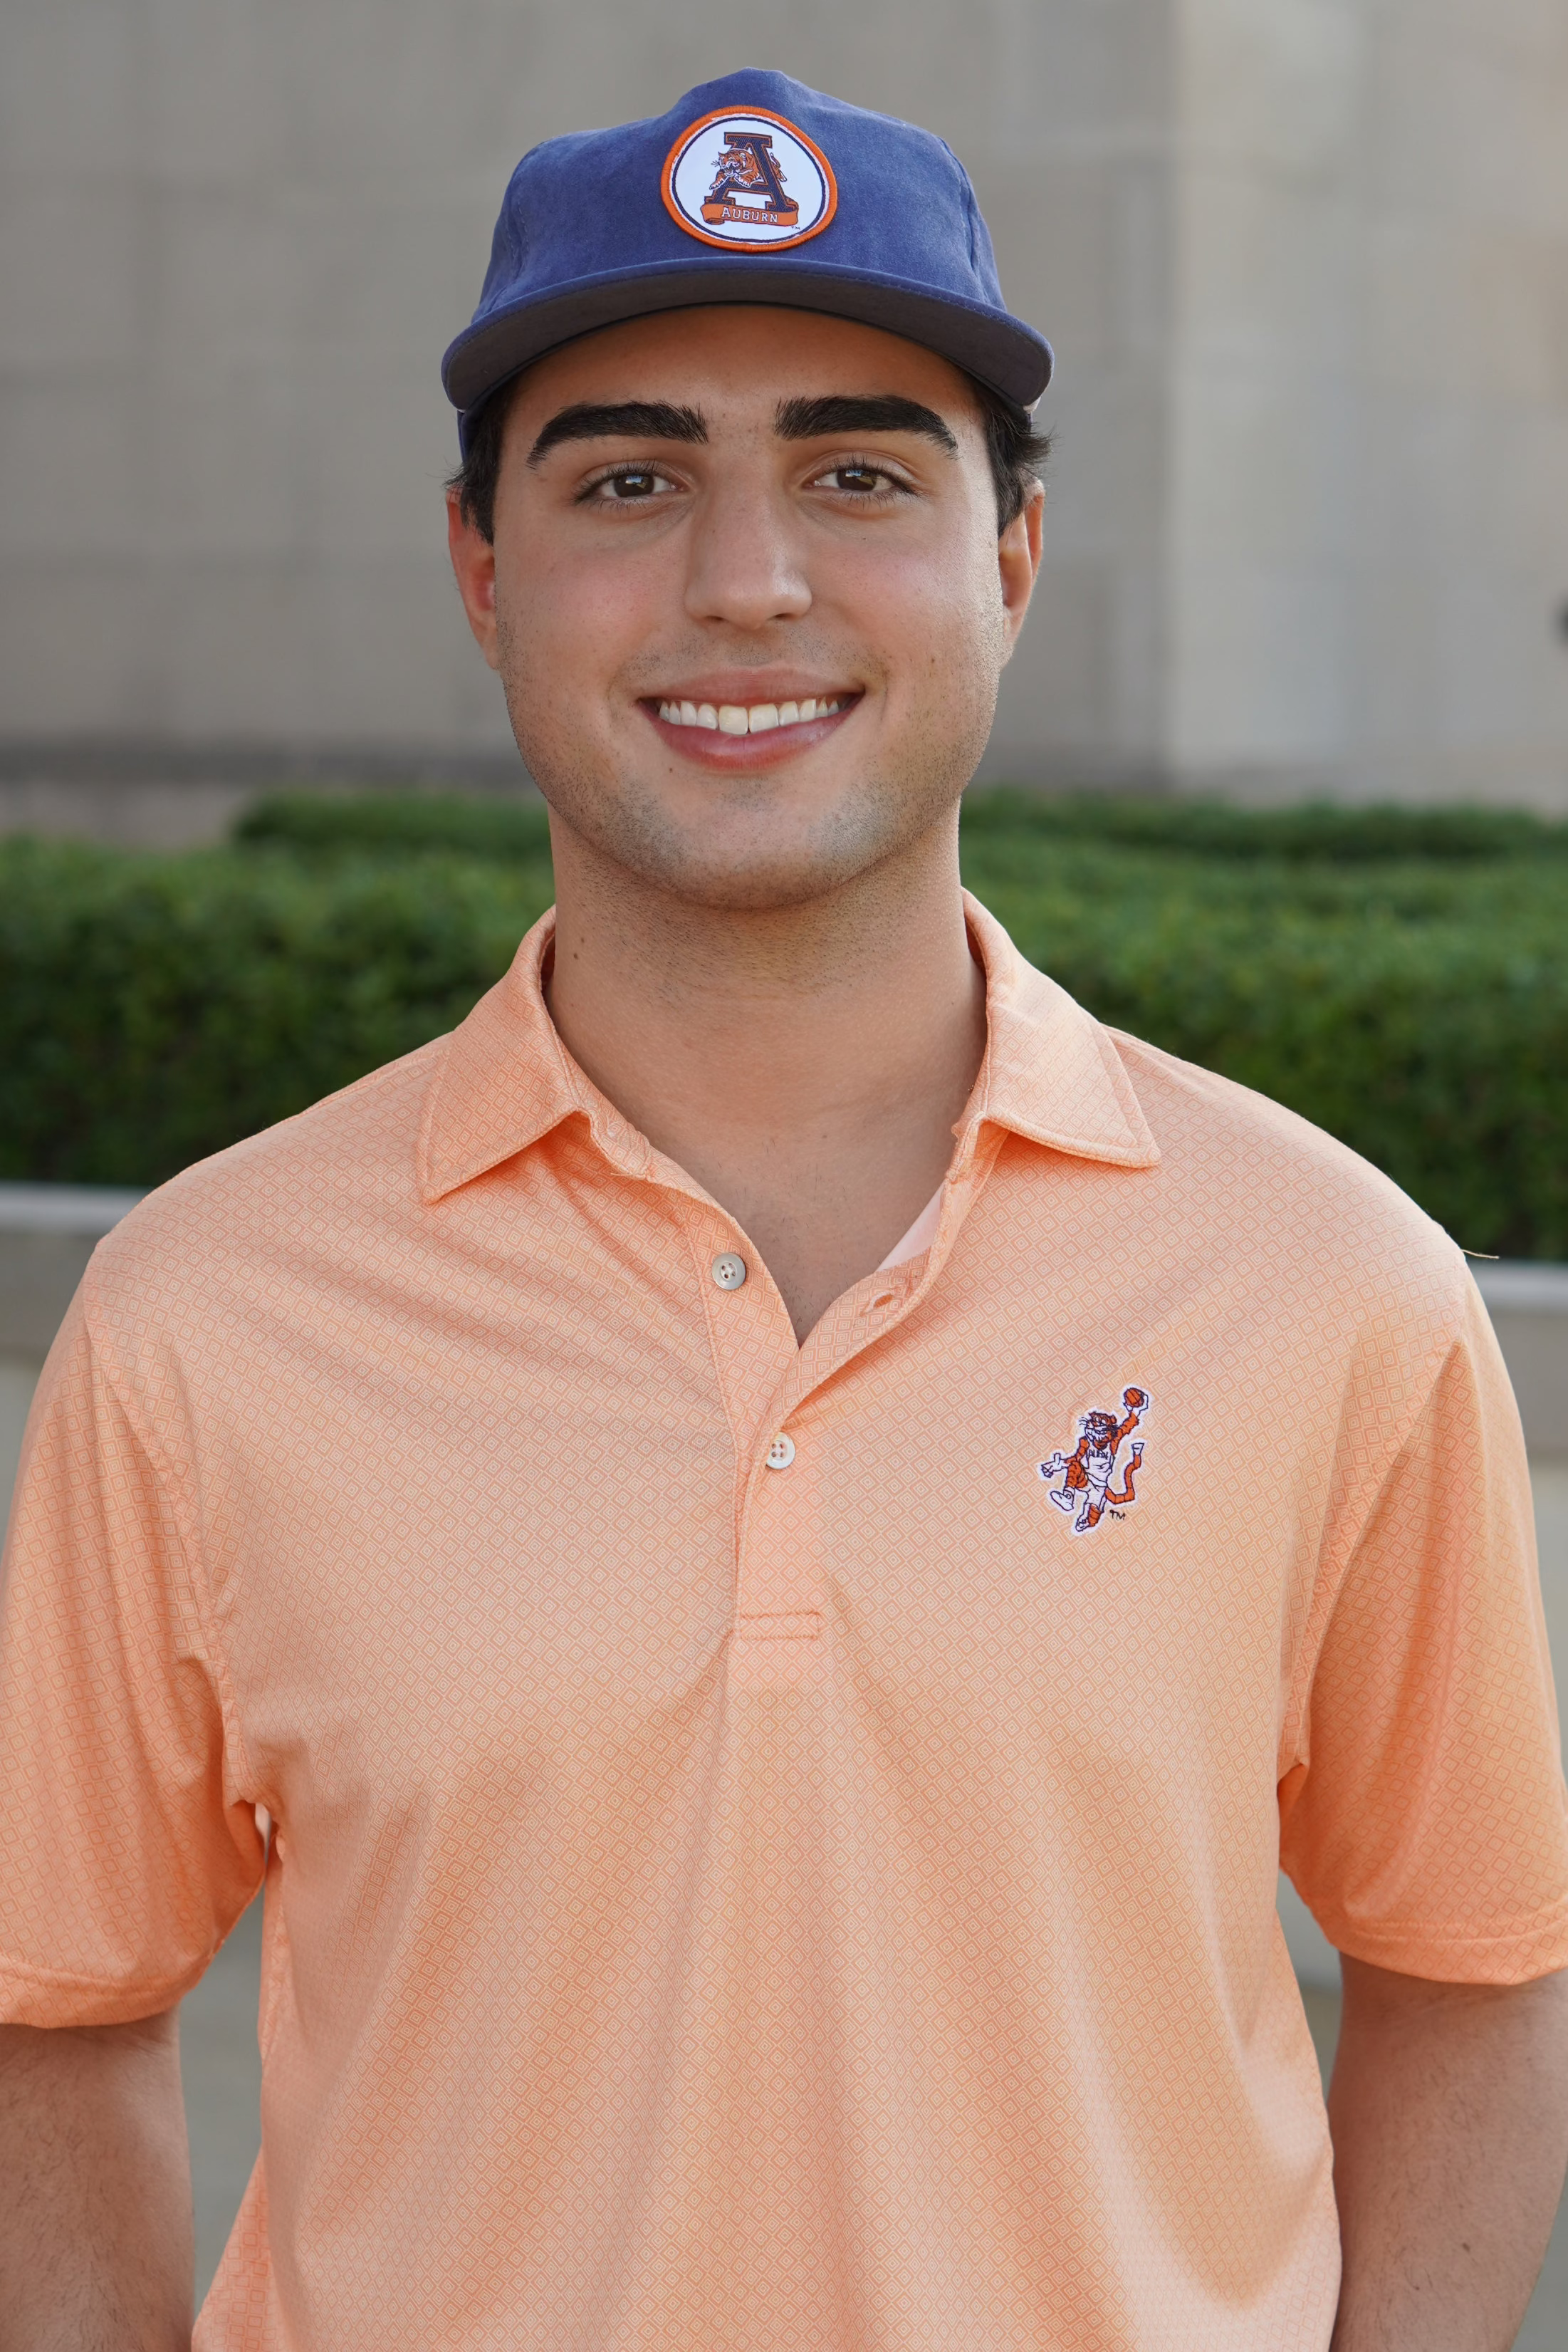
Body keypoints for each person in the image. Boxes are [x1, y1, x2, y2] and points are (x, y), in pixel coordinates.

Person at [1, 65, 1565, 2352]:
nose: (747, 581)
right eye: (629, 479)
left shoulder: (1335, 1287)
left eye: (859, 473)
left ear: (1011, 558)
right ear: (483, 568)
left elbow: (1476, 1963)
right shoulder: (204, 1317)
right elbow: (56, 2002)